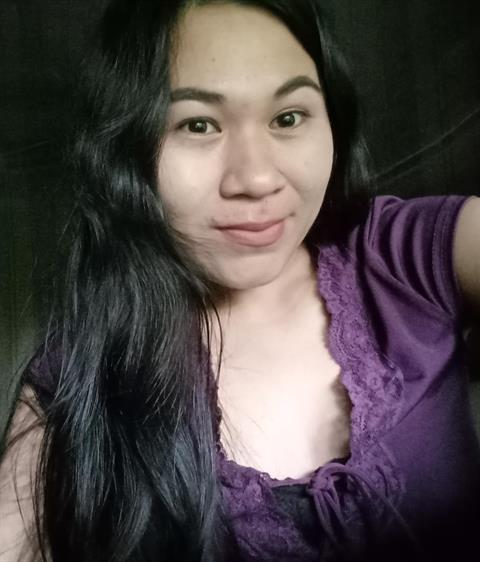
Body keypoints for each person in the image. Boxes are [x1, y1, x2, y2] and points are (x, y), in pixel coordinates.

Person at [1, 1, 479, 561]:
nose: (256, 178)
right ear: (127, 149)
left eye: (288, 118)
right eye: (197, 124)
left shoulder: (412, 253)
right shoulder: (79, 372)